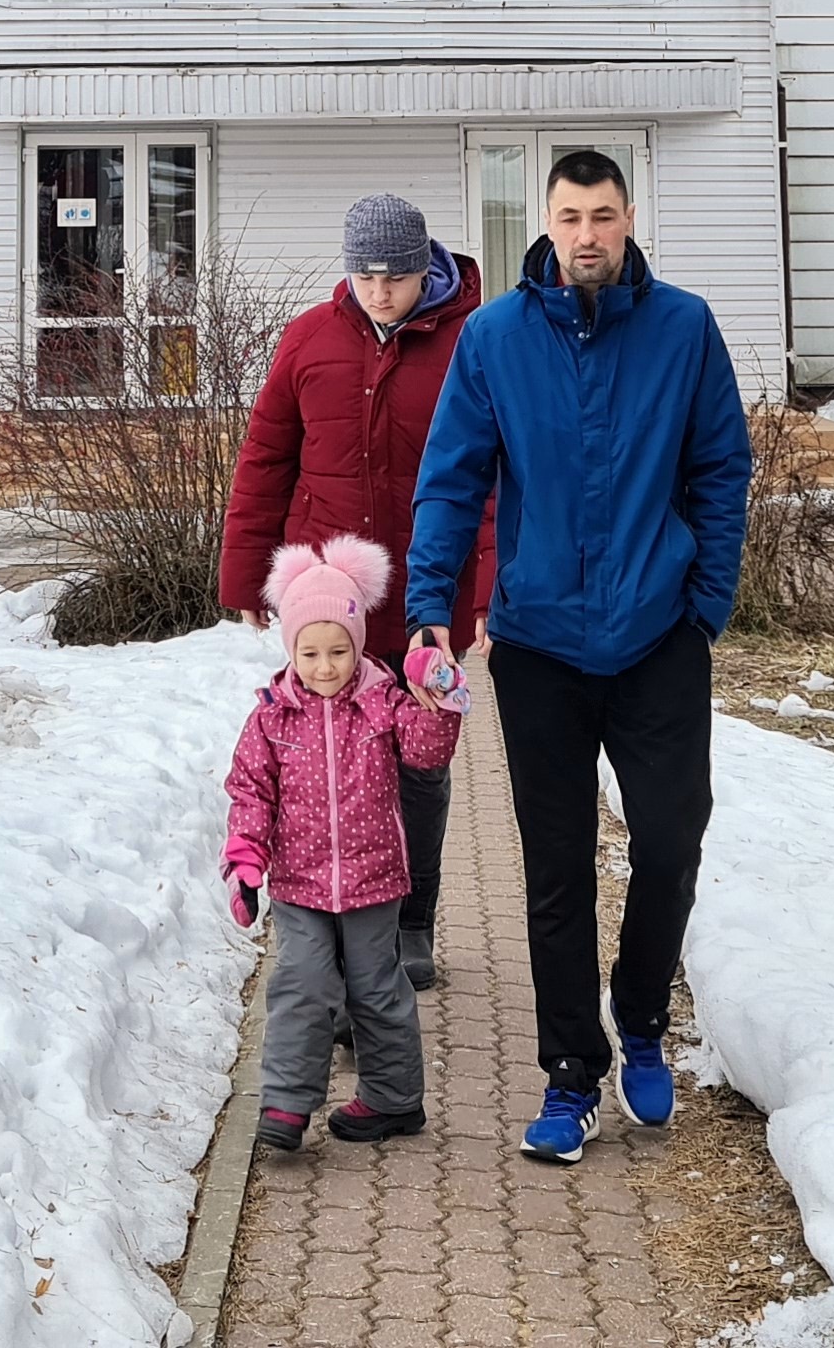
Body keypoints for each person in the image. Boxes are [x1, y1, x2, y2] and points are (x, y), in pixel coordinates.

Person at [406, 147, 750, 1165]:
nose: (588, 234)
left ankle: (640, 1015)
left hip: (657, 637)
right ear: (544, 222)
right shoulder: (494, 337)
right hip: (542, 644)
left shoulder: (682, 327)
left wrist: (704, 605)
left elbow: (720, 467)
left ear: (629, 216)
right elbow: (451, 478)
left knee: (671, 839)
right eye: (570, 216)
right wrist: (434, 603)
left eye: (604, 214)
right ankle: (571, 1075)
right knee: (554, 874)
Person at [219, 191, 489, 986]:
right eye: (366, 274)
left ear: (425, 269)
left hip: (426, 595)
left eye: (398, 276)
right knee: (325, 759)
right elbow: (265, 459)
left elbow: (495, 476)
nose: (380, 291)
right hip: (326, 599)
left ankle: (414, 924)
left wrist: (489, 591)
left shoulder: (470, 344)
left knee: (420, 762)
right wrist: (246, 573)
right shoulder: (308, 339)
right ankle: (335, 921)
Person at [219, 536, 467, 1151]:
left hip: (373, 881)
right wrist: (246, 863)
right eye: (310, 652)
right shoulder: (272, 716)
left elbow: (427, 754)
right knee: (301, 983)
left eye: (338, 651)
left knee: (375, 989)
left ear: (358, 646)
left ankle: (393, 1099)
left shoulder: (382, 701)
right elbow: (250, 792)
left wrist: (439, 701)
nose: (325, 667)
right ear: (291, 649)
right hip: (301, 885)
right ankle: (285, 1104)